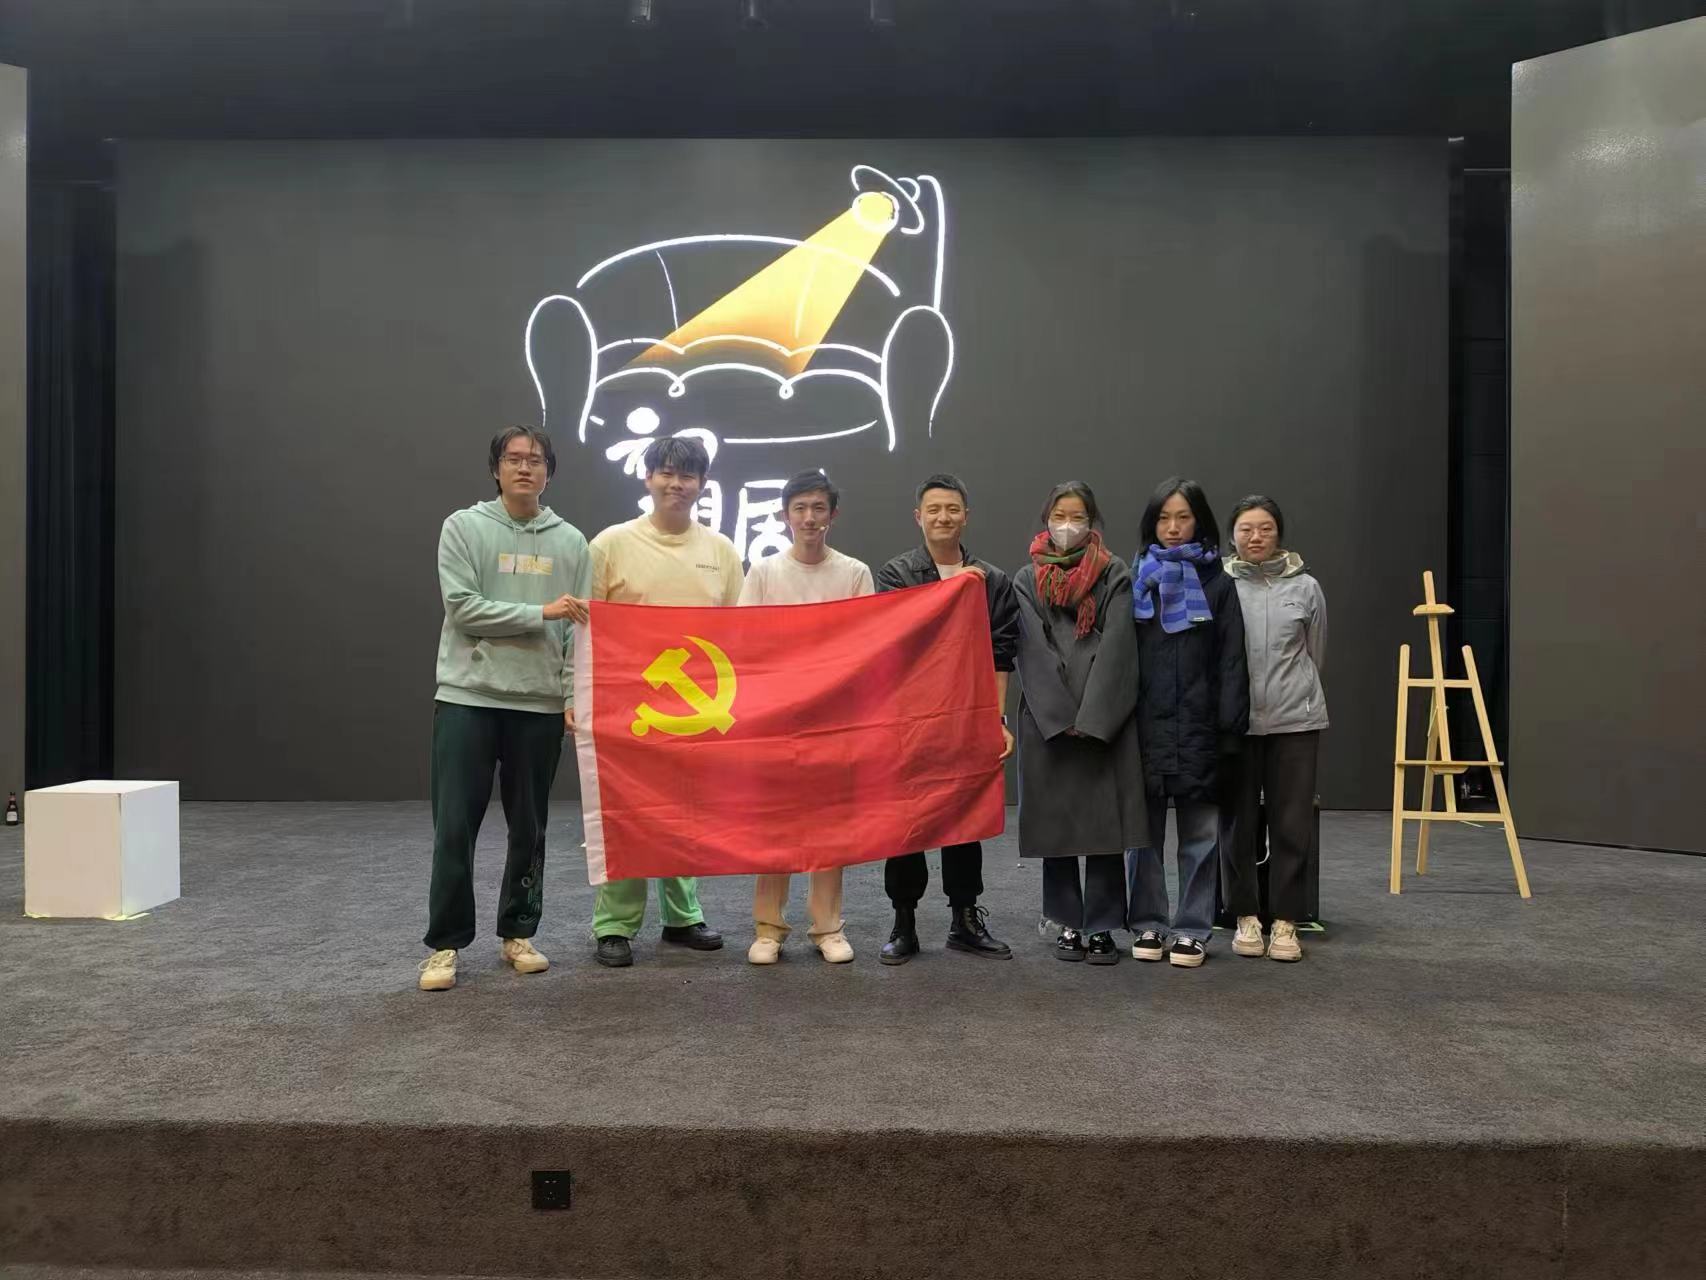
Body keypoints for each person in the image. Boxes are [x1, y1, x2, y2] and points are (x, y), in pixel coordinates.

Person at [419, 426, 592, 992]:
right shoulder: (463, 527)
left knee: (531, 827)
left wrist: (572, 696)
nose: (524, 468)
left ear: (549, 473)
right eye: (513, 459)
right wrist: (540, 612)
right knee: (454, 826)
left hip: (538, 704)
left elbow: (579, 633)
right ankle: (445, 944)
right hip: (468, 698)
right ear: (495, 469)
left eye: (535, 460)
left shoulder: (571, 542)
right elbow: (463, 608)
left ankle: (519, 933)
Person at [586, 434, 743, 967]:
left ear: (702, 484)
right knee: (626, 811)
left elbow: (740, 633)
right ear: (648, 477)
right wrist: (573, 692)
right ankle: (614, 924)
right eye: (667, 473)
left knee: (686, 812)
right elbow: (583, 629)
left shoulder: (721, 551)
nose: (677, 484)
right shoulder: (610, 544)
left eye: (688, 475)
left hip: (698, 709)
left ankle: (683, 916)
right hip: (625, 706)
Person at [874, 472, 1017, 964]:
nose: (943, 517)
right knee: (906, 821)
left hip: (967, 715)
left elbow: (1001, 655)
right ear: (919, 517)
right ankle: (904, 922)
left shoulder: (993, 580)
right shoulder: (896, 574)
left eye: (952, 509)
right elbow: (899, 640)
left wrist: (995, 719)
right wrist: (955, 590)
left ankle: (965, 918)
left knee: (965, 817)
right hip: (909, 718)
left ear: (966, 516)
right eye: (933, 509)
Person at [738, 470, 875, 966]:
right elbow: (744, 641)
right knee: (775, 821)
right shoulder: (764, 572)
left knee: (830, 821)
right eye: (800, 508)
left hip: (833, 717)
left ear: (832, 515)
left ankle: (828, 927)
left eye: (818, 508)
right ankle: (768, 928)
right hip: (777, 716)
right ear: (785, 515)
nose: (809, 518)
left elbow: (864, 643)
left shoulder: (854, 572)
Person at [1012, 482, 1147, 964]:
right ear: (1046, 519)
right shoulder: (1027, 578)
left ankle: (1104, 924)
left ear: (1092, 522)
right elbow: (1030, 647)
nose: (1067, 526)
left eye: (1077, 517)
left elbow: (1119, 647)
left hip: (1103, 719)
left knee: (1105, 829)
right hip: (1049, 721)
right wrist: (1059, 713)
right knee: (1058, 828)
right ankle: (1067, 919)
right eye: (1059, 516)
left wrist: (1093, 715)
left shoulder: (1114, 572)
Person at [1126, 476, 1249, 968]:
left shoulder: (1219, 583)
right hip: (1144, 729)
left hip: (1201, 729)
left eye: (1183, 517)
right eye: (1163, 518)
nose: (1173, 527)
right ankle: (1148, 923)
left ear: (1200, 521)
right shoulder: (1136, 580)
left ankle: (1193, 929)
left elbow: (1233, 662)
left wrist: (1229, 729)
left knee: (1200, 837)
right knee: (1142, 838)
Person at [1218, 495, 1328, 963]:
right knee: (1236, 823)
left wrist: (1296, 694)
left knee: (1292, 823)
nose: (1256, 536)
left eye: (1265, 528)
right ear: (1232, 535)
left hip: (1295, 720)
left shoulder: (1306, 587)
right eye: (1246, 528)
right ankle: (1245, 915)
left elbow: (1315, 653)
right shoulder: (1221, 586)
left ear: (1278, 532)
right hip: (1237, 724)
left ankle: (1286, 921)